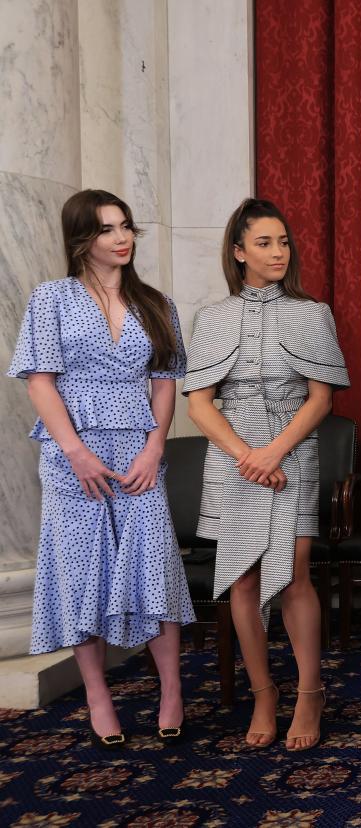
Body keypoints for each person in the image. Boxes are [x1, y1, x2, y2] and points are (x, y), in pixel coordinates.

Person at [7, 189, 194, 749]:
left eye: (126, 227)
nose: (122, 238)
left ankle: (171, 690)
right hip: (74, 454)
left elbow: (165, 382)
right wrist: (75, 451)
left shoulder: (157, 302)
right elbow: (39, 379)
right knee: (81, 573)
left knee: (153, 568)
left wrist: (155, 447)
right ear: (80, 240)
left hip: (139, 451)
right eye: (107, 229)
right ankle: (96, 694)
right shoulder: (52, 298)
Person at [184, 198, 349, 751]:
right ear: (238, 252)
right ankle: (262, 692)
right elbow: (200, 405)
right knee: (241, 579)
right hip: (232, 460)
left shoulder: (313, 312)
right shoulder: (211, 317)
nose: (278, 252)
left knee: (295, 575)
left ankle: (309, 692)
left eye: (283, 242)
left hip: (292, 451)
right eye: (264, 243)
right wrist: (245, 456)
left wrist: (274, 451)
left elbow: (321, 400)